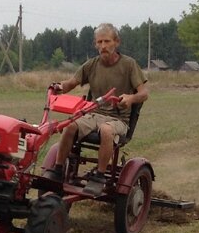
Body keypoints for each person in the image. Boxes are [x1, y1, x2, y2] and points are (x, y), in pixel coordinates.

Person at [46, 23, 148, 194]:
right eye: (99, 42)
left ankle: (99, 176)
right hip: (93, 114)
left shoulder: (129, 65)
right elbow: (71, 83)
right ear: (95, 44)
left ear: (117, 42)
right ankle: (57, 170)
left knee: (106, 131)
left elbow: (144, 93)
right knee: (69, 126)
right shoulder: (91, 65)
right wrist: (59, 87)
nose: (103, 46)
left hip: (118, 119)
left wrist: (131, 98)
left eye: (107, 41)